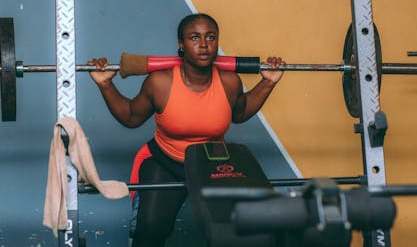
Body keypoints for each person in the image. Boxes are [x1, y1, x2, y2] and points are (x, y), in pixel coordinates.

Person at [87, 13, 284, 247]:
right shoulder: (161, 82)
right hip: (165, 161)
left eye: (210, 37)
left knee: (237, 230)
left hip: (212, 164)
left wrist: (268, 82)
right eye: (194, 38)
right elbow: (131, 117)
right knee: (150, 230)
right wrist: (105, 84)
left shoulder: (230, 81)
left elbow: (239, 113)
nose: (203, 44)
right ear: (181, 45)